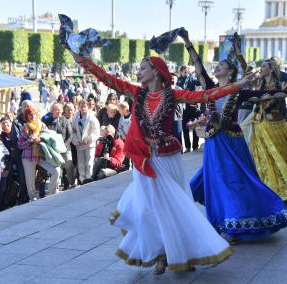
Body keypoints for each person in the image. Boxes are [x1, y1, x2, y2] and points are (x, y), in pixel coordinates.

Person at [72, 51, 255, 274]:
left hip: (166, 158)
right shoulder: (136, 93)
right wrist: (83, 61)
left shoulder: (173, 95)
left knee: (171, 206)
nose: (139, 72)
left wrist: (239, 85)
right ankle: (160, 252)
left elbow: (206, 95)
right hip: (143, 160)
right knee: (147, 209)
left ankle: (177, 251)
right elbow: (107, 78)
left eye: (143, 68)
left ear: (156, 72)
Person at [180, 29, 287, 242]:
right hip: (214, 143)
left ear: (230, 72)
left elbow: (265, 94)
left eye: (221, 65)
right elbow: (198, 66)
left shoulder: (238, 91)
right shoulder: (210, 88)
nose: (217, 67)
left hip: (232, 142)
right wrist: (187, 41)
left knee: (235, 180)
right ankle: (222, 222)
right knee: (215, 181)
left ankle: (235, 224)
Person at [18, 106, 60, 200]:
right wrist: (29, 140)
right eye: (30, 115)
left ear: (36, 115)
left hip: (42, 155)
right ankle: (32, 199)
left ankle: (51, 194)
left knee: (56, 171)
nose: (32, 116)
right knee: (30, 181)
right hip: (28, 157)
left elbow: (49, 138)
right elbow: (19, 145)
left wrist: (40, 139)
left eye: (34, 114)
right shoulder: (25, 128)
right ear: (26, 116)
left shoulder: (42, 125)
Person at [72, 99, 100, 184]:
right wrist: (76, 141)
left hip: (89, 144)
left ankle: (89, 178)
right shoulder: (75, 118)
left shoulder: (92, 118)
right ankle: (82, 179)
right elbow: (73, 132)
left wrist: (87, 140)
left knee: (89, 163)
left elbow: (96, 132)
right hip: (79, 145)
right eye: (81, 106)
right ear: (78, 107)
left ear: (87, 107)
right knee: (81, 164)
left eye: (85, 106)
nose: (83, 108)